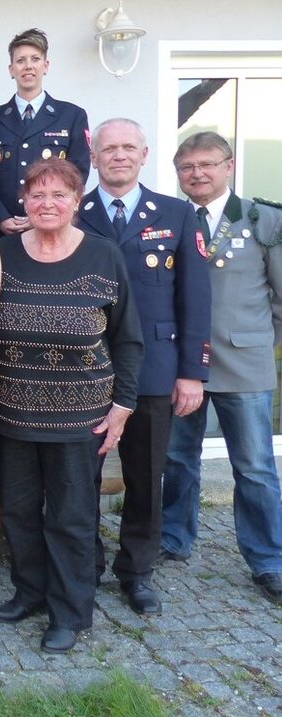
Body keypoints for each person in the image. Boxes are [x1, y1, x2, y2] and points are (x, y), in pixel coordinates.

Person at [0, 158, 144, 654]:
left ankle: (71, 611)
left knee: (72, 516)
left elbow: (128, 339)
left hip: (82, 419)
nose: (47, 204)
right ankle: (30, 592)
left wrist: (123, 404)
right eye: (37, 195)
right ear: (23, 201)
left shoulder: (104, 254)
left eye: (59, 195)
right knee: (17, 509)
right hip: (11, 412)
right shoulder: (0, 253)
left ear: (77, 201)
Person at [77, 118, 211, 617]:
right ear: (94, 156)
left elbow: (195, 298)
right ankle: (82, 565)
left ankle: (137, 571)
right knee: (80, 477)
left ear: (144, 153)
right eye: (109, 148)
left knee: (145, 475)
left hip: (155, 368)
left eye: (127, 147)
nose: (118, 156)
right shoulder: (76, 211)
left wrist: (192, 371)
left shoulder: (176, 214)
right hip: (85, 368)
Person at [162, 132, 282, 604]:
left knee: (254, 467)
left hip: (244, 364)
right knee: (177, 458)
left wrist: (260, 342)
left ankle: (269, 559)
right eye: (188, 166)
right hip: (184, 365)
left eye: (207, 164)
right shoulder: (172, 219)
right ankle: (174, 538)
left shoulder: (262, 219)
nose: (197, 174)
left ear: (228, 166)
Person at [0, 28, 90, 235]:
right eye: (21, 60)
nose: (28, 66)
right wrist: (0, 217)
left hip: (53, 226)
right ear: (11, 69)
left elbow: (78, 172)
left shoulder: (72, 116)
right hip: (3, 231)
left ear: (46, 66)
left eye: (35, 59)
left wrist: (40, 215)